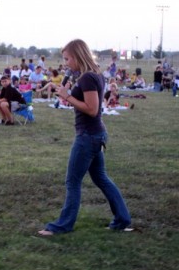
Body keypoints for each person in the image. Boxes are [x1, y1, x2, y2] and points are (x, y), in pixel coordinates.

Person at [38, 39, 131, 236]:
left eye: (67, 59)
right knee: (101, 178)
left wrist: (67, 96)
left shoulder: (88, 77)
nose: (65, 63)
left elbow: (92, 109)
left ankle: (63, 225)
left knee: (73, 181)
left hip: (88, 136)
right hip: (96, 134)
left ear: (78, 56)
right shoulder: (93, 74)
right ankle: (122, 219)